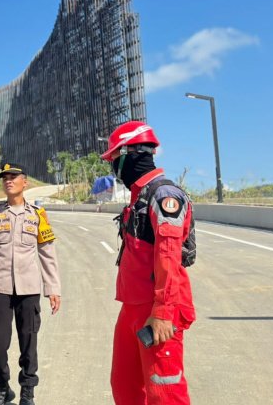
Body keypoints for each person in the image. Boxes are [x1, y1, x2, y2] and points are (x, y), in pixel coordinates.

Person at [100, 121, 195, 404]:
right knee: (125, 386)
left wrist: (163, 312)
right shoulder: (138, 197)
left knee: (164, 392)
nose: (114, 167)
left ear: (132, 154)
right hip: (132, 307)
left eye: (115, 159)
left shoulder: (164, 195)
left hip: (157, 310)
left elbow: (167, 254)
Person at [0, 163, 61, 405]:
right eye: (4, 178)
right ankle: (2, 387)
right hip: (0, 288)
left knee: (29, 342)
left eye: (13, 177)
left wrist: (53, 288)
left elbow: (47, 252)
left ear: (26, 182)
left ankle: (27, 391)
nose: (8, 181)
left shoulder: (38, 215)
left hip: (29, 289)